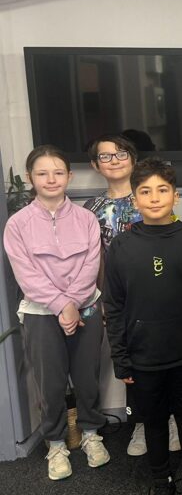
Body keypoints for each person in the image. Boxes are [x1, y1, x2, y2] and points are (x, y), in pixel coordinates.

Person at [104, 158, 182, 495]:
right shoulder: (121, 246)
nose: (154, 198)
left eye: (162, 190)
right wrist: (120, 358)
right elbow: (114, 305)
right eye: (145, 191)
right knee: (152, 421)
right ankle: (160, 479)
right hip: (142, 356)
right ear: (134, 199)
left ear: (176, 196)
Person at [3, 145, 109, 481]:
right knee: (49, 384)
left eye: (58, 172)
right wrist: (60, 305)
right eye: (42, 173)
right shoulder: (17, 224)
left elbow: (91, 266)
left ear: (69, 176)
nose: (51, 179)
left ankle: (92, 435)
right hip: (39, 312)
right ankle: (55, 444)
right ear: (31, 178)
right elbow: (27, 274)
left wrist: (73, 304)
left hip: (86, 307)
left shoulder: (86, 218)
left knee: (87, 377)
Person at [84, 134, 182, 458]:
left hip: (160, 295)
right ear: (95, 165)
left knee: (166, 356)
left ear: (133, 158)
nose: (115, 160)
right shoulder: (91, 209)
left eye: (121, 153)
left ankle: (170, 420)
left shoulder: (150, 197)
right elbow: (91, 258)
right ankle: (141, 422)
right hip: (118, 298)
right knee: (133, 363)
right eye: (106, 156)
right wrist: (101, 300)